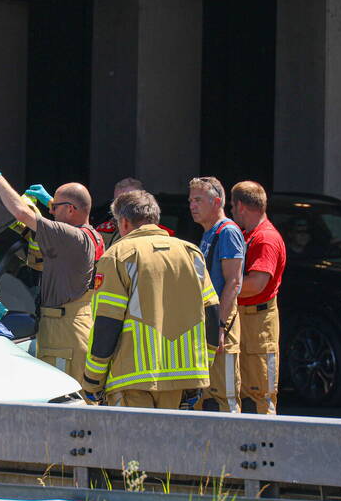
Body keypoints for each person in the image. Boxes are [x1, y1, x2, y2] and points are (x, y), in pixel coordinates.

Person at [0, 157, 103, 388]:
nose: (51, 211)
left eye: (55, 207)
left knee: (61, 403)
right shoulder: (92, 236)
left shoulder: (72, 238)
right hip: (72, 326)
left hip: (64, 336)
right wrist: (53, 203)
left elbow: (22, 213)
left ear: (71, 209)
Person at [82, 190, 221, 409]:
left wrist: (92, 379)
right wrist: (203, 367)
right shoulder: (191, 253)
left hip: (131, 379)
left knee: (131, 443)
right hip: (183, 379)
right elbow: (213, 314)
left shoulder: (118, 255)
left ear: (125, 222)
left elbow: (107, 322)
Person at [189, 177, 245, 412]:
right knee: (202, 391)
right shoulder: (209, 233)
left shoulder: (227, 231)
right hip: (208, 323)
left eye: (198, 200)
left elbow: (233, 282)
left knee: (226, 394)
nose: (192, 205)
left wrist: (220, 326)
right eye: (190, 200)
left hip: (222, 325)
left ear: (217, 202)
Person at [231, 180, 286, 415]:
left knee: (260, 394)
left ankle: (266, 448)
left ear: (241, 206)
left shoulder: (265, 239)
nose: (231, 212)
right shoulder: (250, 235)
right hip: (248, 320)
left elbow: (256, 284)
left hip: (258, 324)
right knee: (243, 391)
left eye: (232, 207)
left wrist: (221, 287)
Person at [96, 177, 145, 248]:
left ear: (144, 201)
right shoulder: (103, 232)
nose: (122, 208)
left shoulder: (160, 234)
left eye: (129, 202)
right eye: (117, 203)